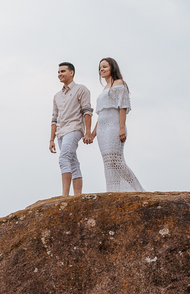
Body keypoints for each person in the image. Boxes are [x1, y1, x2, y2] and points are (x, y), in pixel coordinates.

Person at [95, 57, 144, 192]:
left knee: (116, 160)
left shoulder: (119, 83)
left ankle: (137, 189)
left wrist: (121, 128)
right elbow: (100, 113)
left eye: (104, 66)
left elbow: (122, 107)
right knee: (108, 162)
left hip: (114, 125)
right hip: (102, 129)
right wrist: (93, 133)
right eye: (100, 68)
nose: (101, 70)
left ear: (112, 67)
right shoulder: (104, 88)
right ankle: (113, 191)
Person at [49, 62, 93, 197]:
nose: (59, 74)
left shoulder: (81, 89)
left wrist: (88, 132)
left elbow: (87, 111)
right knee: (73, 161)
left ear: (71, 73)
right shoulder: (57, 96)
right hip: (61, 133)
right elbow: (54, 118)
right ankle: (78, 196)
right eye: (58, 72)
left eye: (62, 71)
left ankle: (65, 196)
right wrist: (51, 139)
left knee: (64, 158)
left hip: (74, 128)